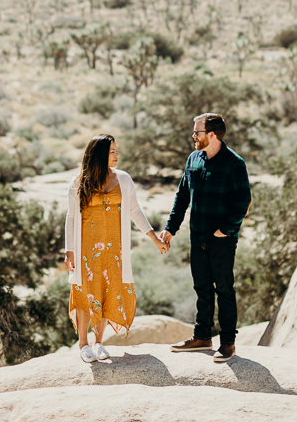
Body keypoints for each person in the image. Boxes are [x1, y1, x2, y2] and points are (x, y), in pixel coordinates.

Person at [65, 133, 168, 363]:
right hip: (85, 250)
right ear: (101, 154)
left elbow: (135, 211)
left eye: (116, 151)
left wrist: (154, 238)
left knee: (107, 291)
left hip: (115, 249)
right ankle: (83, 345)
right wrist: (69, 250)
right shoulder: (78, 182)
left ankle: (99, 341)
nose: (117, 155)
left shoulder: (123, 179)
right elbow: (71, 217)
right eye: (112, 152)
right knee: (84, 293)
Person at [159, 113, 251, 362]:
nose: (193, 136)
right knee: (201, 288)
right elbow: (182, 197)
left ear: (212, 135)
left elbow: (243, 202)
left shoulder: (234, 163)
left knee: (224, 289)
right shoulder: (193, 159)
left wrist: (226, 229)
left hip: (222, 239)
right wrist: (170, 228)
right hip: (196, 236)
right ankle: (202, 337)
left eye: (196, 132)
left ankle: (228, 343)